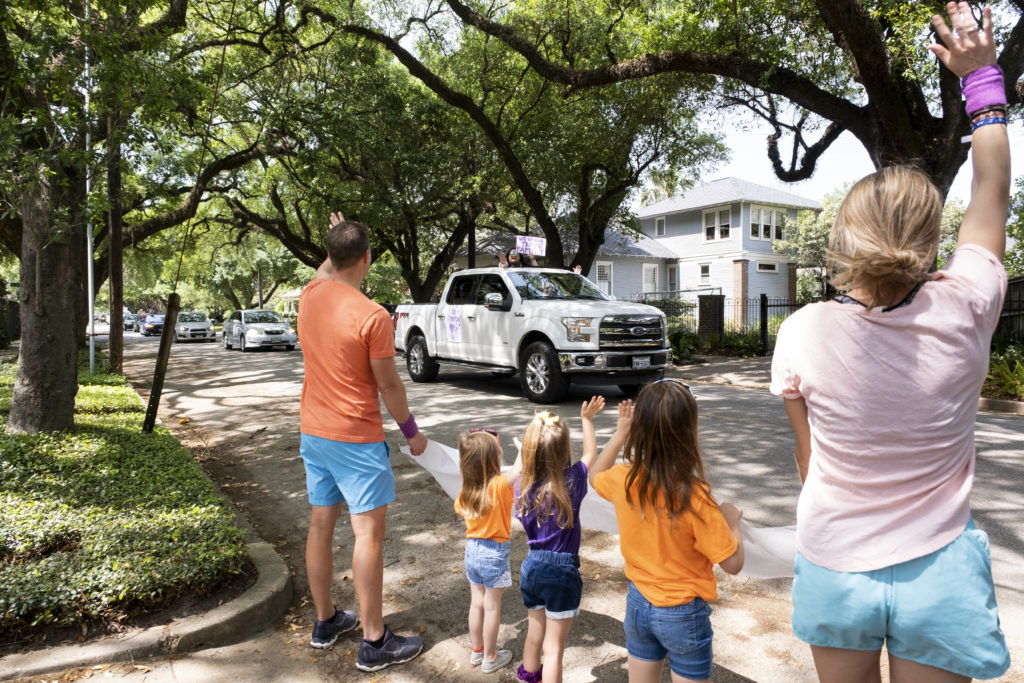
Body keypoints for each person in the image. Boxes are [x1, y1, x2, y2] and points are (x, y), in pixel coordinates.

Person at [769, 5, 1011, 681]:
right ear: (932, 244)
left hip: (833, 558)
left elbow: (807, 454)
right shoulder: (967, 305)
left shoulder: (803, 332)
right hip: (939, 572)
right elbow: (992, 190)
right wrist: (981, 78)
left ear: (846, 242)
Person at [298, 211, 428, 672]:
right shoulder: (373, 316)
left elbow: (325, 267)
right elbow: (390, 386)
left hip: (314, 433)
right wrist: (412, 432)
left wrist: (336, 236)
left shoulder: (311, 294)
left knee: (320, 525)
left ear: (331, 257)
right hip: (356, 439)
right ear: (368, 259)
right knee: (367, 534)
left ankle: (326, 620)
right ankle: (374, 640)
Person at [590, 383, 744, 683]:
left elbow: (595, 475)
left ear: (640, 430)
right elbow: (733, 564)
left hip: (637, 603)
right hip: (683, 614)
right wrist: (731, 519)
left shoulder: (624, 479)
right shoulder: (695, 497)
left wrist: (620, 432)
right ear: (689, 431)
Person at [513, 399, 605, 683]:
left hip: (532, 568)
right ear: (564, 449)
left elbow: (529, 467)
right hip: (562, 573)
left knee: (534, 633)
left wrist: (527, 455)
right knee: (554, 650)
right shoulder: (573, 481)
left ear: (530, 451)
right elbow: (591, 452)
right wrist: (586, 419)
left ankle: (529, 677)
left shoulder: (522, 485)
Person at [455, 429, 522, 674]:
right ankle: (491, 657)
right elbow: (518, 470)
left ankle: (477, 651)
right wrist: (522, 448)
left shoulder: (466, 490)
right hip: (495, 554)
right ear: (493, 460)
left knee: (477, 604)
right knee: (492, 607)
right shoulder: (498, 486)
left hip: (472, 552)